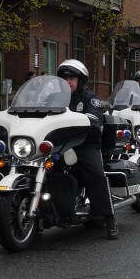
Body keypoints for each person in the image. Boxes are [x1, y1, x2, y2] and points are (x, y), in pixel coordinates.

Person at [55, 59, 119, 239]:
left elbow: (95, 118)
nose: (68, 81)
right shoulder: (52, 98)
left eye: (72, 78)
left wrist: (87, 120)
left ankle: (110, 217)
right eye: (64, 78)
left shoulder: (90, 98)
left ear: (80, 80)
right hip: (59, 144)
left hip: (84, 144)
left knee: (97, 175)